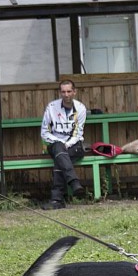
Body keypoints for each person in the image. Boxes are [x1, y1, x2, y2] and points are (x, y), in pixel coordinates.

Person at [40, 79, 86, 210]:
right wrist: (60, 142)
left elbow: (78, 133)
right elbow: (44, 132)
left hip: (74, 144)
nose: (66, 94)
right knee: (59, 150)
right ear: (60, 92)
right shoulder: (51, 107)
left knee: (60, 158)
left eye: (69, 91)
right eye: (63, 92)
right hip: (54, 143)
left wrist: (67, 144)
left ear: (74, 92)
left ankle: (56, 199)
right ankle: (74, 182)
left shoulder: (81, 108)